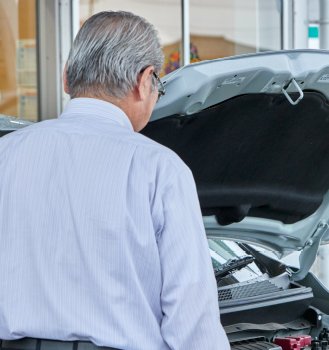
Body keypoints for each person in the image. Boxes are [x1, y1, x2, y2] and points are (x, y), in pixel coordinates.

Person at [0, 11, 229, 350]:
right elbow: (192, 323)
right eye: (159, 87)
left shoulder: (5, 154)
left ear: (65, 78)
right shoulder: (159, 169)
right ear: (144, 79)